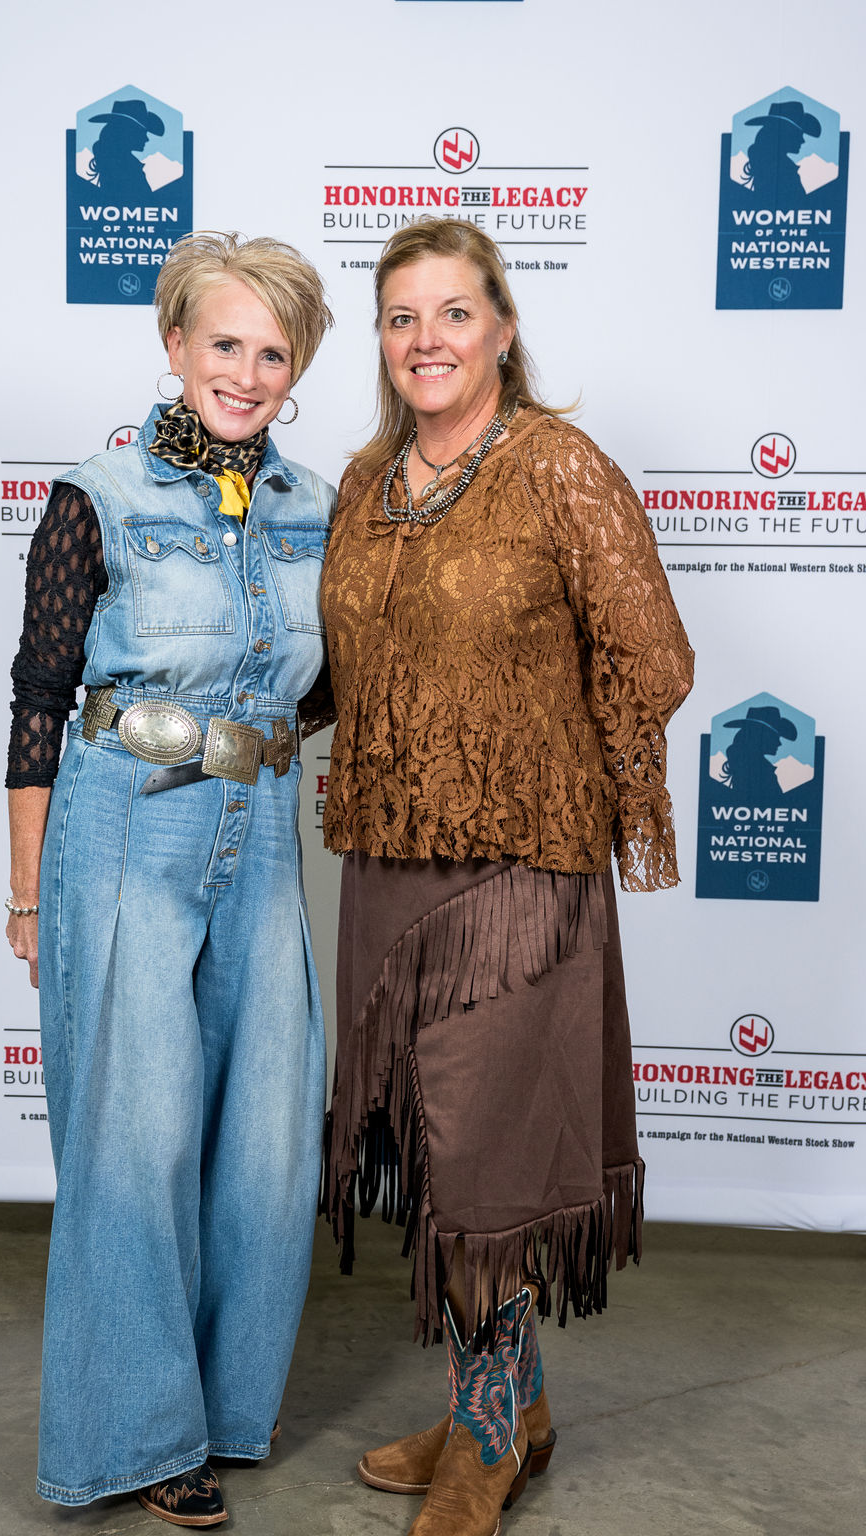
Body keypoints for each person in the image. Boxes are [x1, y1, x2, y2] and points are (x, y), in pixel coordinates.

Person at [319, 217, 694, 1536]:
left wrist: (533, 762)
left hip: (518, 876)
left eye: (454, 313)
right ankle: (507, 1403)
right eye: (402, 317)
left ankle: (489, 1442)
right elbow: (347, 666)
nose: (426, 339)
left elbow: (654, 655)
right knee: (434, 1150)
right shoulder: (366, 482)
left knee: (487, 1160)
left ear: (503, 328)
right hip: (389, 863)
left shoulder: (556, 467)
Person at [5, 231, 335, 1526]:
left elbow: (328, 688)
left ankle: (226, 1408)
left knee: (266, 1139)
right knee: (136, 1142)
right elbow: (39, 698)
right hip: (123, 829)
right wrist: (28, 892)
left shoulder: (318, 509)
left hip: (261, 836)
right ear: (175, 344)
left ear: (297, 367)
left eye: (273, 352)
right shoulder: (95, 497)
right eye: (224, 344)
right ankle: (141, 1440)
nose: (245, 374)